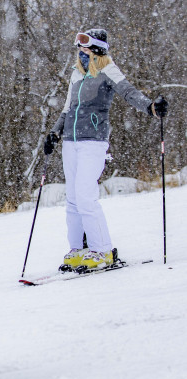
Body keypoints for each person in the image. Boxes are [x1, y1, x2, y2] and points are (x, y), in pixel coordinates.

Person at [43, 28, 169, 271]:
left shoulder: (107, 70)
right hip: (70, 141)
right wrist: (55, 132)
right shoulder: (76, 74)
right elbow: (68, 108)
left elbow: (129, 93)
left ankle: (102, 250)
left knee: (85, 195)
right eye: (79, 48)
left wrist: (151, 107)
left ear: (97, 49)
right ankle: (78, 249)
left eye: (85, 48)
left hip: (93, 140)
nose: (80, 51)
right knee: (72, 198)